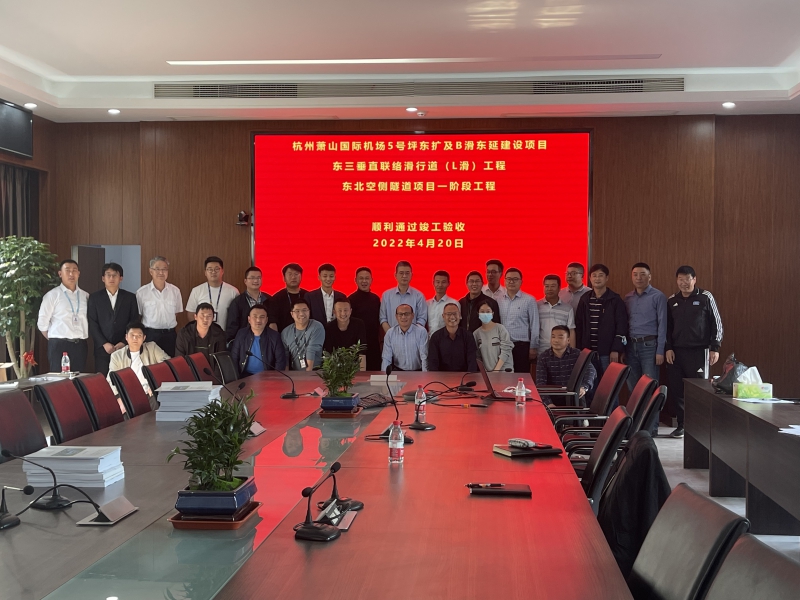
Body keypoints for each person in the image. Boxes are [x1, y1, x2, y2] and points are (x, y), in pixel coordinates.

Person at [665, 266, 723, 439]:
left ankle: (700, 427)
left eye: (687, 279)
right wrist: (668, 348)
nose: (684, 283)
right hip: (676, 353)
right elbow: (667, 328)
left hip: (699, 351)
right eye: (680, 279)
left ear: (694, 279)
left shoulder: (705, 297)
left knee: (699, 390)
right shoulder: (672, 300)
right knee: (677, 390)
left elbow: (716, 323)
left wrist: (714, 347)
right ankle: (682, 425)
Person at [624, 262, 667, 435]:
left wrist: (660, 350)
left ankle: (651, 427)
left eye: (642, 274)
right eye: (635, 274)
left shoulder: (658, 296)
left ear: (649, 277)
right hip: (630, 346)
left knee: (650, 388)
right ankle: (636, 426)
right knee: (634, 388)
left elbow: (663, 325)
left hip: (650, 346)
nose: (639, 278)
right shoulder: (628, 297)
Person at [87, 262, 139, 376]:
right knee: (103, 380)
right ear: (103, 278)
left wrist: (124, 342)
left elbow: (134, 321)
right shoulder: (95, 298)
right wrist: (104, 343)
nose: (111, 278)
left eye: (115, 275)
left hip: (124, 347)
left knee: (124, 378)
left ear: (121, 278)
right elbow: (92, 323)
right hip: (102, 349)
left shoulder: (130, 297)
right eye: (108, 275)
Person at [575, 264, 628, 377]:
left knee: (608, 383)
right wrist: (579, 350)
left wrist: (616, 349)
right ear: (590, 278)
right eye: (594, 275)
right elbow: (579, 326)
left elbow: (622, 326)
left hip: (607, 352)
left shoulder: (615, 300)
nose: (597, 278)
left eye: (600, 275)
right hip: (587, 352)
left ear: (607, 278)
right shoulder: (584, 299)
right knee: (589, 383)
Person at [38, 259, 90, 373]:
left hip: (80, 345)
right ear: (60, 273)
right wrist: (55, 338)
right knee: (59, 380)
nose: (71, 274)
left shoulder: (85, 296)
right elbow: (42, 323)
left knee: (79, 379)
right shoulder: (52, 295)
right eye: (67, 270)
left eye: (74, 270)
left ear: (79, 273)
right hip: (59, 345)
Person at [108, 322, 169, 406]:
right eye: (132, 335)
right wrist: (119, 397)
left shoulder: (152, 348)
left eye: (139, 335)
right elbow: (111, 380)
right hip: (128, 395)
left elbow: (167, 365)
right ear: (126, 337)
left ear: (144, 338)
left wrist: (155, 384)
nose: (135, 338)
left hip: (150, 392)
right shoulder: (117, 356)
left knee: (158, 400)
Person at [537, 326, 597, 406]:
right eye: (553, 337)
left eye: (560, 337)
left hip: (573, 397)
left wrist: (584, 387)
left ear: (568, 340)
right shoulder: (543, 357)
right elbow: (540, 383)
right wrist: (548, 403)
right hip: (553, 398)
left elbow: (591, 370)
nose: (556, 340)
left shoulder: (577, 354)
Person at [136, 256, 183, 356]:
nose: (161, 272)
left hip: (170, 336)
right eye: (157, 269)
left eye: (164, 269)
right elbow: (139, 316)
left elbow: (176, 314)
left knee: (171, 363)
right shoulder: (141, 292)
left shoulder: (175, 291)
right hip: (150, 335)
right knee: (151, 364)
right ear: (150, 271)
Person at [497, 268, 539, 373]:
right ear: (504, 281)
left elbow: (534, 325)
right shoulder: (498, 300)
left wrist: (533, 347)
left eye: (515, 279)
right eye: (509, 279)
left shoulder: (529, 300)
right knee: (503, 377)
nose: (511, 282)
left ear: (521, 282)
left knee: (521, 377)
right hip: (502, 346)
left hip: (521, 347)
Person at [230, 304, 287, 377]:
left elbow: (280, 361)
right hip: (244, 376)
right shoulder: (241, 334)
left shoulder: (275, 336)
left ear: (266, 320)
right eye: (255, 316)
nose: (258, 320)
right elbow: (234, 357)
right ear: (249, 319)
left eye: (262, 317)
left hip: (267, 377)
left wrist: (274, 379)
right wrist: (236, 378)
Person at [185, 256, 239, 329]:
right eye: (210, 269)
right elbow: (191, 313)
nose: (213, 272)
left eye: (217, 269)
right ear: (205, 272)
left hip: (225, 333)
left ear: (222, 271)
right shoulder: (196, 291)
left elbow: (237, 315)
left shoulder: (233, 291)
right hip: (203, 334)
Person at [226, 266, 275, 342]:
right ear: (245, 281)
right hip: (245, 342)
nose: (255, 280)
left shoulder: (269, 299)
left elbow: (273, 322)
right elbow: (232, 327)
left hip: (266, 341)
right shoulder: (237, 302)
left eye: (258, 278)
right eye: (252, 278)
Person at [348, 267, 382, 371]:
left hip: (373, 344)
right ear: (355, 280)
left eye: (367, 278)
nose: (364, 281)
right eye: (361, 278)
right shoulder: (350, 300)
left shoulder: (376, 299)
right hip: (356, 345)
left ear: (371, 280)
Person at [428, 303, 478, 372]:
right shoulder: (436, 337)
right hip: (442, 377)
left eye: (455, 313)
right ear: (443, 316)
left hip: (464, 376)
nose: (452, 317)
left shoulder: (468, 336)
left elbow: (472, 361)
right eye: (448, 314)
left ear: (460, 315)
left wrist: (469, 377)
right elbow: (433, 363)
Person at [379, 260, 427, 331]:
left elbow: (422, 318)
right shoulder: (386, 295)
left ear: (411, 275)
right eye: (401, 273)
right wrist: (391, 334)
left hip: (414, 336)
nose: (404, 276)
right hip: (392, 336)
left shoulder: (419, 296)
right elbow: (383, 318)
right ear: (395, 275)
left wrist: (413, 334)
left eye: (407, 273)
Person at [537, 274, 576, 358]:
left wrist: (572, 352)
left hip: (561, 351)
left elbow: (571, 331)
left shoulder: (567, 308)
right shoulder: (537, 306)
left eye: (553, 286)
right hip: (541, 350)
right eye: (547, 286)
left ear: (559, 288)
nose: (549, 289)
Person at [281, 299, 325, 371]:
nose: (301, 314)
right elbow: (285, 356)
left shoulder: (317, 326)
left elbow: (312, 349)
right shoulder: (286, 332)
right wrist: (286, 374)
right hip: (294, 373)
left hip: (315, 372)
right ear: (292, 314)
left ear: (309, 312)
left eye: (304, 310)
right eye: (297, 311)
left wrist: (308, 374)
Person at [381, 304, 428, 371]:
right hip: (398, 371)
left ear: (412, 315)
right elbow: (386, 359)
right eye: (400, 314)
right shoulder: (390, 333)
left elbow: (425, 358)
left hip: (418, 371)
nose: (403, 317)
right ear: (396, 316)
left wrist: (425, 375)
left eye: (407, 314)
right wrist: (385, 376)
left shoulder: (421, 331)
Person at [324, 299, 367, 369]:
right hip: (335, 367)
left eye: (346, 310)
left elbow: (362, 351)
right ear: (334, 312)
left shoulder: (359, 324)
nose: (343, 313)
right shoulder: (329, 327)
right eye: (340, 310)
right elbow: (328, 354)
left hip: (354, 366)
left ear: (350, 311)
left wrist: (362, 372)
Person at [473, 301, 514, 371]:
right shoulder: (476, 334)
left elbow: (506, 350)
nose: (485, 314)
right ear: (478, 313)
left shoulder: (500, 329)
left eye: (488, 311)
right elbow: (478, 356)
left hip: (504, 371)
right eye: (482, 312)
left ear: (492, 313)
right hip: (487, 373)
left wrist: (496, 370)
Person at [271, 263, 310, 332]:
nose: (293, 277)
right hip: (283, 336)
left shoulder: (308, 296)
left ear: (301, 277)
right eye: (290, 274)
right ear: (284, 278)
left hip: (307, 335)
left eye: (296, 274)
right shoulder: (276, 298)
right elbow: (273, 322)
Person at [426, 270, 458, 337]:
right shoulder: (427, 304)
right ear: (433, 283)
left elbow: (456, 324)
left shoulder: (454, 303)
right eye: (437, 282)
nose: (440, 285)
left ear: (448, 283)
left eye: (443, 282)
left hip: (446, 340)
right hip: (429, 340)